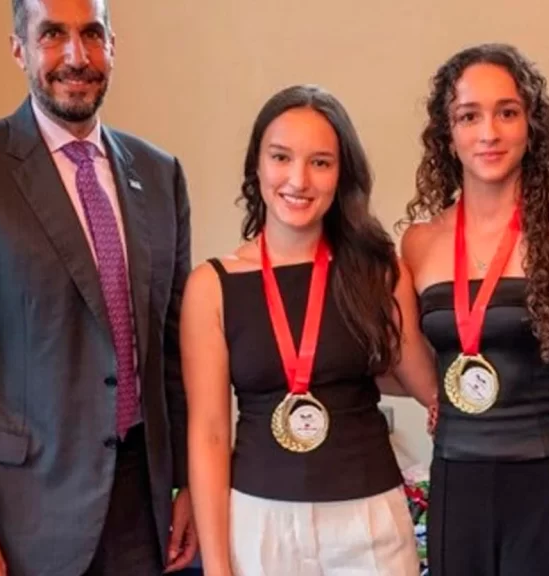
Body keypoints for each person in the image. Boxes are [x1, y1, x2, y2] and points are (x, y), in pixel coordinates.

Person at [0, 0, 196, 574]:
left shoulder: (160, 174)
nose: (76, 56)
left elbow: (173, 350)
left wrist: (186, 482)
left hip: (141, 506)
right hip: (21, 517)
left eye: (92, 34)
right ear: (19, 49)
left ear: (113, 46)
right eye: (53, 34)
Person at [181, 84, 438, 576]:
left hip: (369, 518)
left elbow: (429, 387)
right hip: (260, 522)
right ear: (257, 166)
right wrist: (216, 566)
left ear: (342, 174)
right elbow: (210, 434)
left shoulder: (378, 271)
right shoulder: (211, 285)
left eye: (320, 162)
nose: (298, 179)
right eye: (281, 157)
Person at [400, 43, 549, 575]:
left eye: (507, 113)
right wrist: (437, 399)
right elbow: (410, 354)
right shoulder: (419, 243)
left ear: (532, 125)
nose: (489, 133)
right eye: (469, 116)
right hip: (457, 481)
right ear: (447, 133)